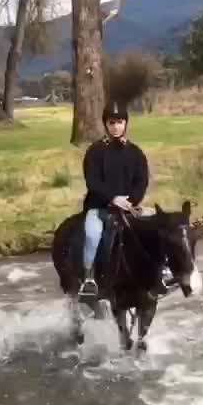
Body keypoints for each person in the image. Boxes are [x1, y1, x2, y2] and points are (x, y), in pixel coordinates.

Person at [77, 99, 151, 302]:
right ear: (106, 124)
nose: (116, 126)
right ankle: (89, 278)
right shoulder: (95, 151)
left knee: (156, 226)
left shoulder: (136, 152)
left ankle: (158, 271)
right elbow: (92, 181)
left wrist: (132, 201)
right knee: (92, 236)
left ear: (126, 123)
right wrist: (113, 198)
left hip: (129, 207)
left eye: (119, 122)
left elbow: (142, 180)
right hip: (99, 207)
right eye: (111, 122)